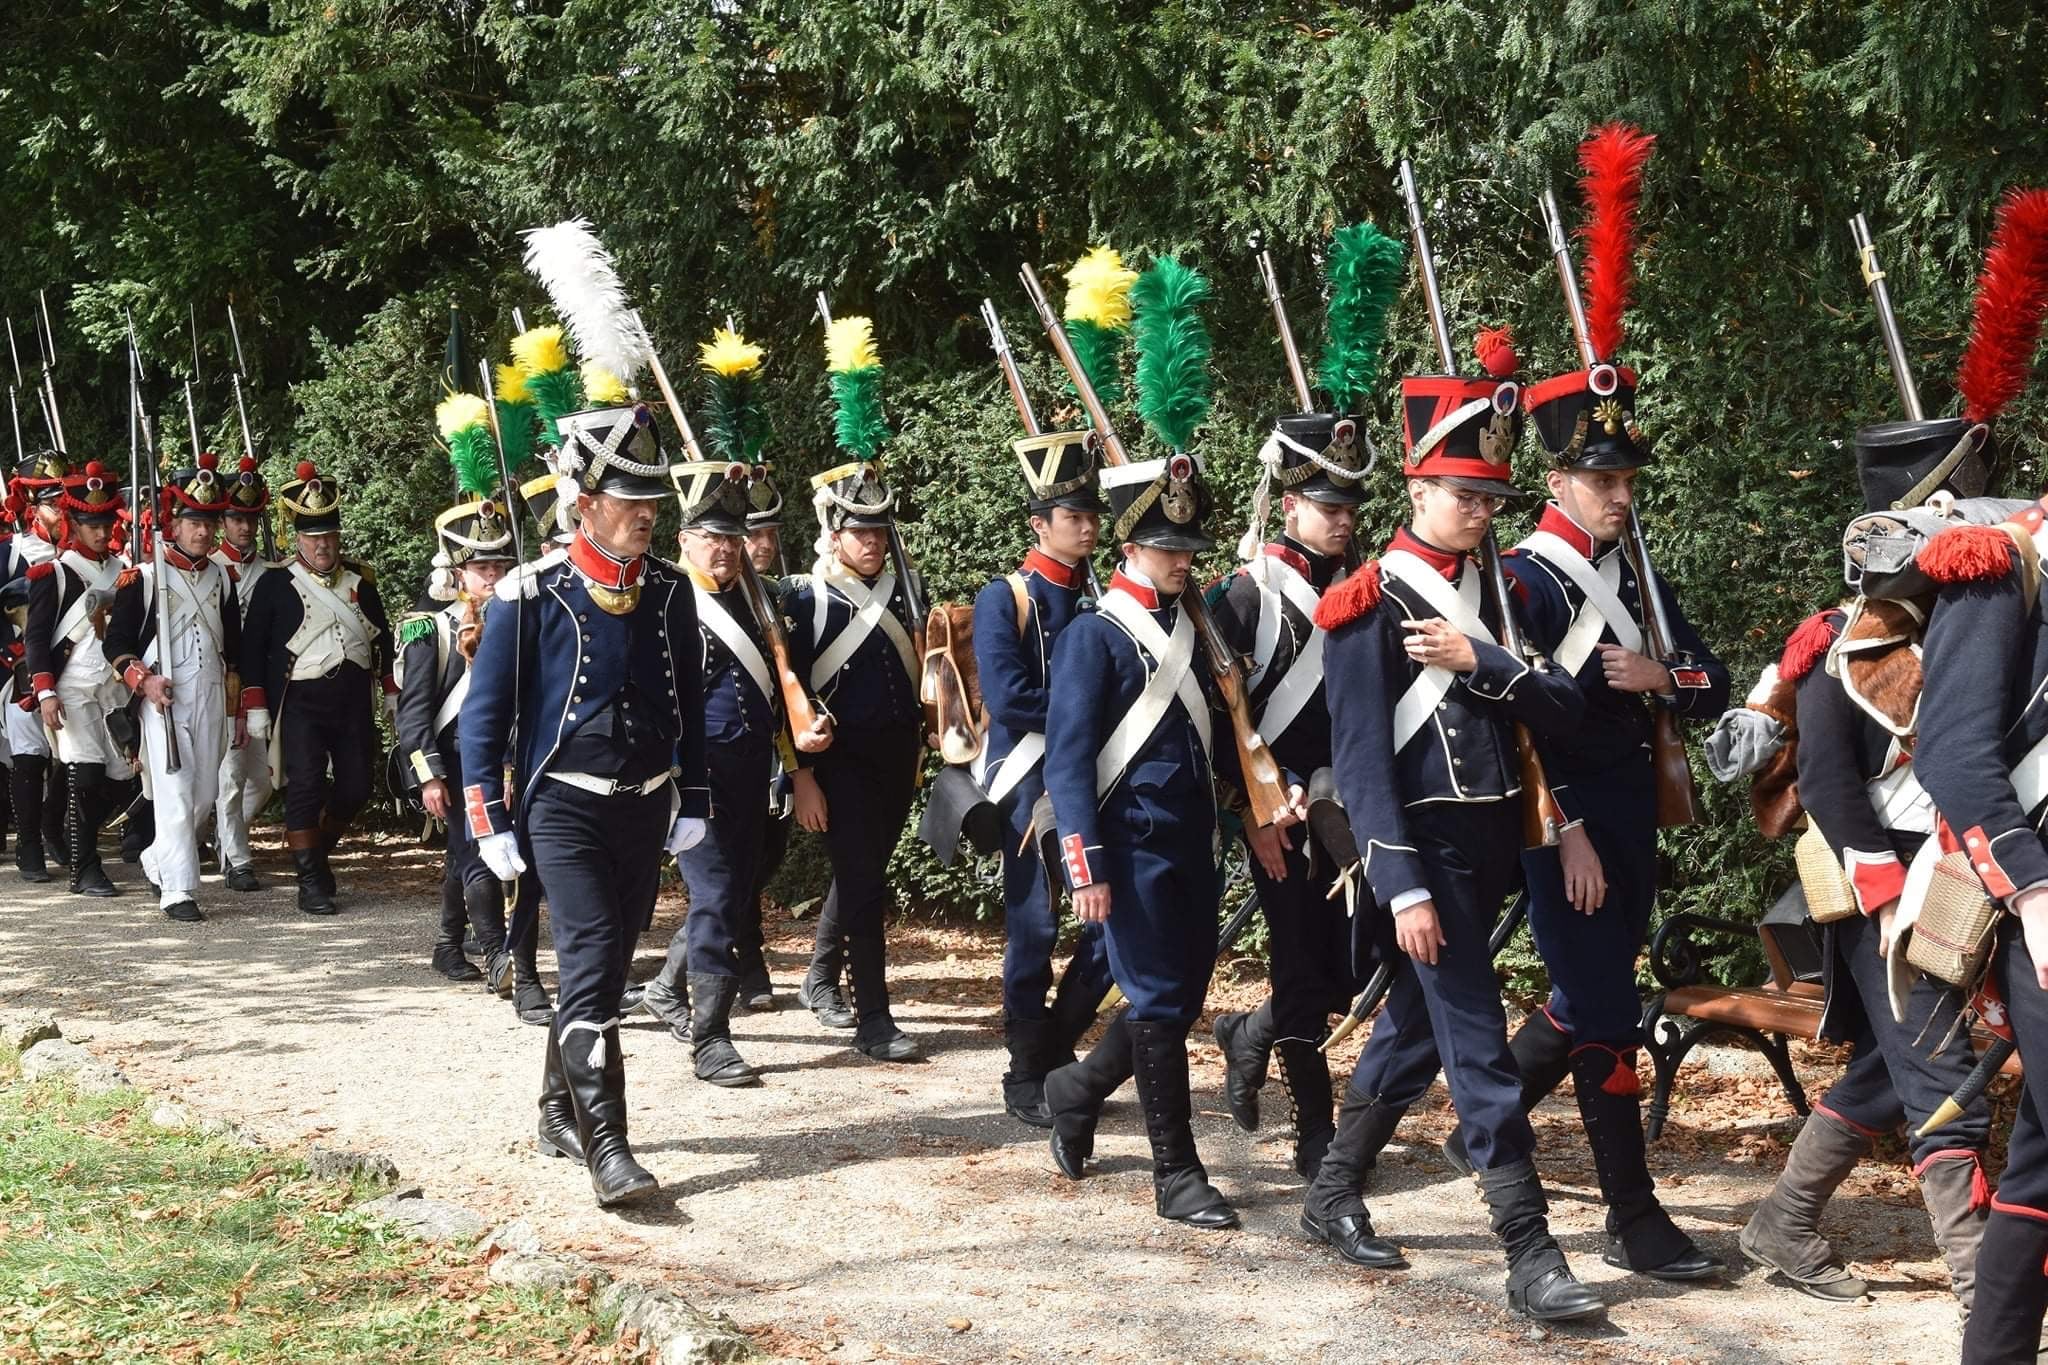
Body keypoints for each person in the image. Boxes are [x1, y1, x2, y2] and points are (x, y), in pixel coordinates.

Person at [1301, 336, 1601, 1321]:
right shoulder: (1362, 602)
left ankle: (1332, 1189)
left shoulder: (1504, 596)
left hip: (1496, 850)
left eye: (1487, 499)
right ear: (1415, 487)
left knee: (1418, 1029)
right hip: (1420, 856)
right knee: (1476, 1046)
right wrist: (1404, 889)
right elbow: (1357, 764)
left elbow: (1558, 712)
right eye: (1460, 494)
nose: (1477, 512)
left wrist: (1486, 661)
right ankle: (1528, 1253)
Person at [1458, 344, 1726, 1281]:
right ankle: (1632, 1214)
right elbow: (1516, 734)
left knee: (1587, 996)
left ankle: (1479, 1128)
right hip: (1558, 824)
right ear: (1558, 477)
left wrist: (1666, 676)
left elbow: (1711, 677)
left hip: (1630, 817)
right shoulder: (1524, 581)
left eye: (1626, 477)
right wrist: (1565, 827)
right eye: (1601, 478)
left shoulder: (1637, 576)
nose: (1620, 494)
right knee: (1608, 1014)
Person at [460, 397, 707, 1208]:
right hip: (561, 808)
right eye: (631, 503)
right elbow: (485, 717)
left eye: (651, 504)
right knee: (599, 960)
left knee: (604, 955)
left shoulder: (670, 591)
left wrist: (692, 791)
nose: (646, 517)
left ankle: (554, 1111)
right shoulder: (529, 595)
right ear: (586, 502)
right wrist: (487, 819)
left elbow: (690, 702)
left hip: (644, 804)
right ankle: (610, 1143)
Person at [1208, 410, 1369, 1180]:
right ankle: (1315, 1124)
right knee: (1302, 964)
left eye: (1348, 507)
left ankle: (1251, 1031)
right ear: (1289, 503)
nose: (1341, 521)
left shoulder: (1367, 588)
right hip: (1273, 806)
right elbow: (1217, 725)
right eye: (1327, 506)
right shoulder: (1244, 596)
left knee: (1351, 965)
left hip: (1355, 802)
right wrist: (1253, 814)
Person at [639, 458, 828, 1086]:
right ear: (683, 541)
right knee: (719, 895)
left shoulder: (760, 601)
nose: (724, 549)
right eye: (711, 537)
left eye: (732, 537)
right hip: (692, 777)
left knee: (733, 892)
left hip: (753, 771)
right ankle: (711, 1038)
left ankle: (668, 986)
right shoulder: (661, 600)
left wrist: (798, 769)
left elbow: (781, 694)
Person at [392, 402, 551, 1024]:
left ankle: (447, 943)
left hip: (517, 756)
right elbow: (414, 713)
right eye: (482, 566)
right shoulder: (427, 630)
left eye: (500, 565)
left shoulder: (525, 624)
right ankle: (497, 955)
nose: (493, 576)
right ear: (456, 571)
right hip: (457, 760)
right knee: (477, 851)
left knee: (487, 853)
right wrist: (428, 773)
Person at [973, 428, 1113, 1127]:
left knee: (1110, 920)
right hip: (1027, 781)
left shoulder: (1101, 600)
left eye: (1092, 517)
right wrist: (1084, 716)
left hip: (1091, 776)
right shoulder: (1006, 598)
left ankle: (1055, 1043)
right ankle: (1025, 1069)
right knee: (1033, 926)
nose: (1087, 528)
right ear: (1039, 523)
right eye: (1072, 517)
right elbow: (1008, 698)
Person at [784, 460, 924, 1061]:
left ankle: (818, 975)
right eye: (860, 530)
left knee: (862, 875)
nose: (872, 541)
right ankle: (875, 1017)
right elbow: (784, 694)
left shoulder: (908, 590)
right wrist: (802, 776)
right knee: (866, 886)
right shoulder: (806, 598)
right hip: (840, 767)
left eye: (879, 529)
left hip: (900, 759)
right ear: (833, 533)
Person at [239, 462, 394, 915]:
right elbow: (253, 651)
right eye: (312, 537)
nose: (322, 544)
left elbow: (380, 638)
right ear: (297, 538)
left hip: (352, 700)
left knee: (356, 786)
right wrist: (256, 704)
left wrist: (391, 691)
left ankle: (317, 854)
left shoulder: (360, 581)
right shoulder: (274, 582)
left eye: (329, 535)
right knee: (304, 785)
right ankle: (310, 879)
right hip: (301, 700)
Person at [102, 455, 241, 922]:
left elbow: (234, 645)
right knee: (177, 792)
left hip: (210, 692)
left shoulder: (222, 577)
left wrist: (240, 706)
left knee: (203, 795)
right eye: (193, 522)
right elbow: (116, 642)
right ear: (174, 524)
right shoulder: (142, 578)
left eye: (209, 522)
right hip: (162, 697)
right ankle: (179, 890)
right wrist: (144, 679)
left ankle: (157, 859)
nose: (203, 532)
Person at [23, 462, 130, 898]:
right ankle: (86, 869)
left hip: (116, 690)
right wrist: (45, 691)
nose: (101, 532)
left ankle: (56, 822)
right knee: (85, 777)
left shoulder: (125, 571)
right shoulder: (56, 573)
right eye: (91, 525)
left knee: (121, 780)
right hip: (73, 689)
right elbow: (36, 638)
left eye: (105, 524)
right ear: (74, 524)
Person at [3, 448, 73, 881]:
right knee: (30, 758)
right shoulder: (11, 552)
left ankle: (53, 825)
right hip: (21, 669)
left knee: (70, 758)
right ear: (34, 506)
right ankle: (29, 844)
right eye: (52, 502)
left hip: (72, 666)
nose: (60, 509)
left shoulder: (81, 553)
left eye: (65, 500)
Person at [208, 455, 277, 892]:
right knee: (230, 778)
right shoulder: (211, 568)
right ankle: (237, 858)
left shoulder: (273, 571)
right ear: (222, 520)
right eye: (236, 518)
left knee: (266, 780)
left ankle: (218, 834)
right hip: (222, 683)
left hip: (261, 686)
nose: (245, 528)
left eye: (251, 518)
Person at [738, 469, 792, 1011]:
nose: (765, 546)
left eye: (771, 535)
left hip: (775, 751)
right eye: (755, 535)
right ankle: (748, 961)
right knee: (736, 866)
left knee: (765, 857)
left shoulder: (782, 596)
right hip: (722, 754)